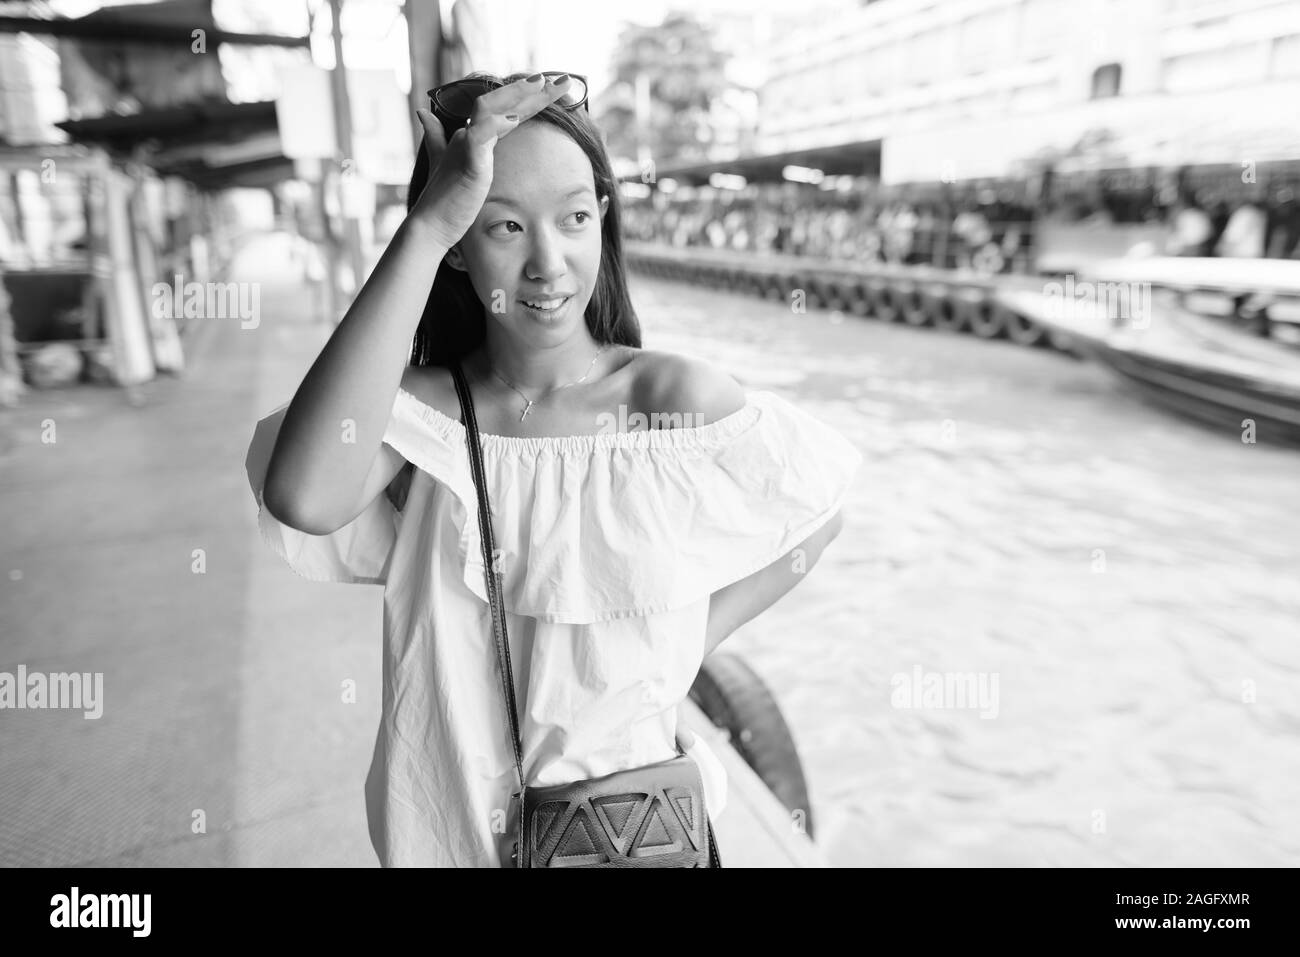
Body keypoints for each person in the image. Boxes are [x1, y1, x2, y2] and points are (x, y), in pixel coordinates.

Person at [243, 71, 861, 867]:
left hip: (630, 837)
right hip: (448, 829)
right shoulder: (420, 416)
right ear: (462, 245)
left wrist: (682, 644)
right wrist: (426, 232)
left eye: (573, 218)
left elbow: (813, 514)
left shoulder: (666, 402)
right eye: (502, 226)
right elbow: (304, 494)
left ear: (602, 219)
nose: (548, 264)